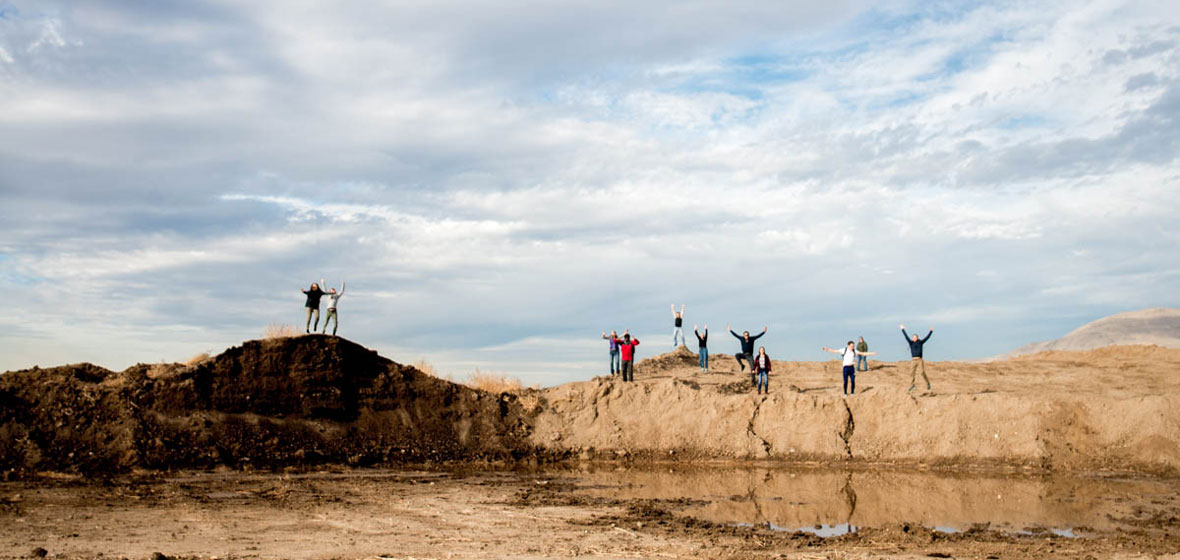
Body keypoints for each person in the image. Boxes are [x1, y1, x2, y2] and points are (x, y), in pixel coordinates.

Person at [900, 324, 934, 392]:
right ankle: (912, 385)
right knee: (911, 373)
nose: (914, 338)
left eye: (915, 337)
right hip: (913, 360)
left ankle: (928, 383)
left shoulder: (920, 342)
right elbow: (906, 336)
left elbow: (927, 338)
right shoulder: (911, 343)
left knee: (922, 372)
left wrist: (931, 331)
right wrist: (902, 329)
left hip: (919, 360)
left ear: (917, 338)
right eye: (913, 337)